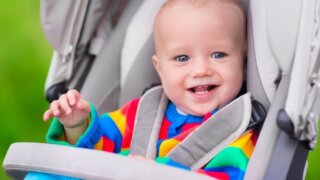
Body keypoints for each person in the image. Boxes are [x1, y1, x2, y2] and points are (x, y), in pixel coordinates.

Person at [27, 0, 256, 179]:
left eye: (218, 55)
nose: (200, 70)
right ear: (160, 69)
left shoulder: (237, 134)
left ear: (243, 64)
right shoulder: (140, 113)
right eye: (182, 58)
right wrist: (77, 124)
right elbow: (96, 149)